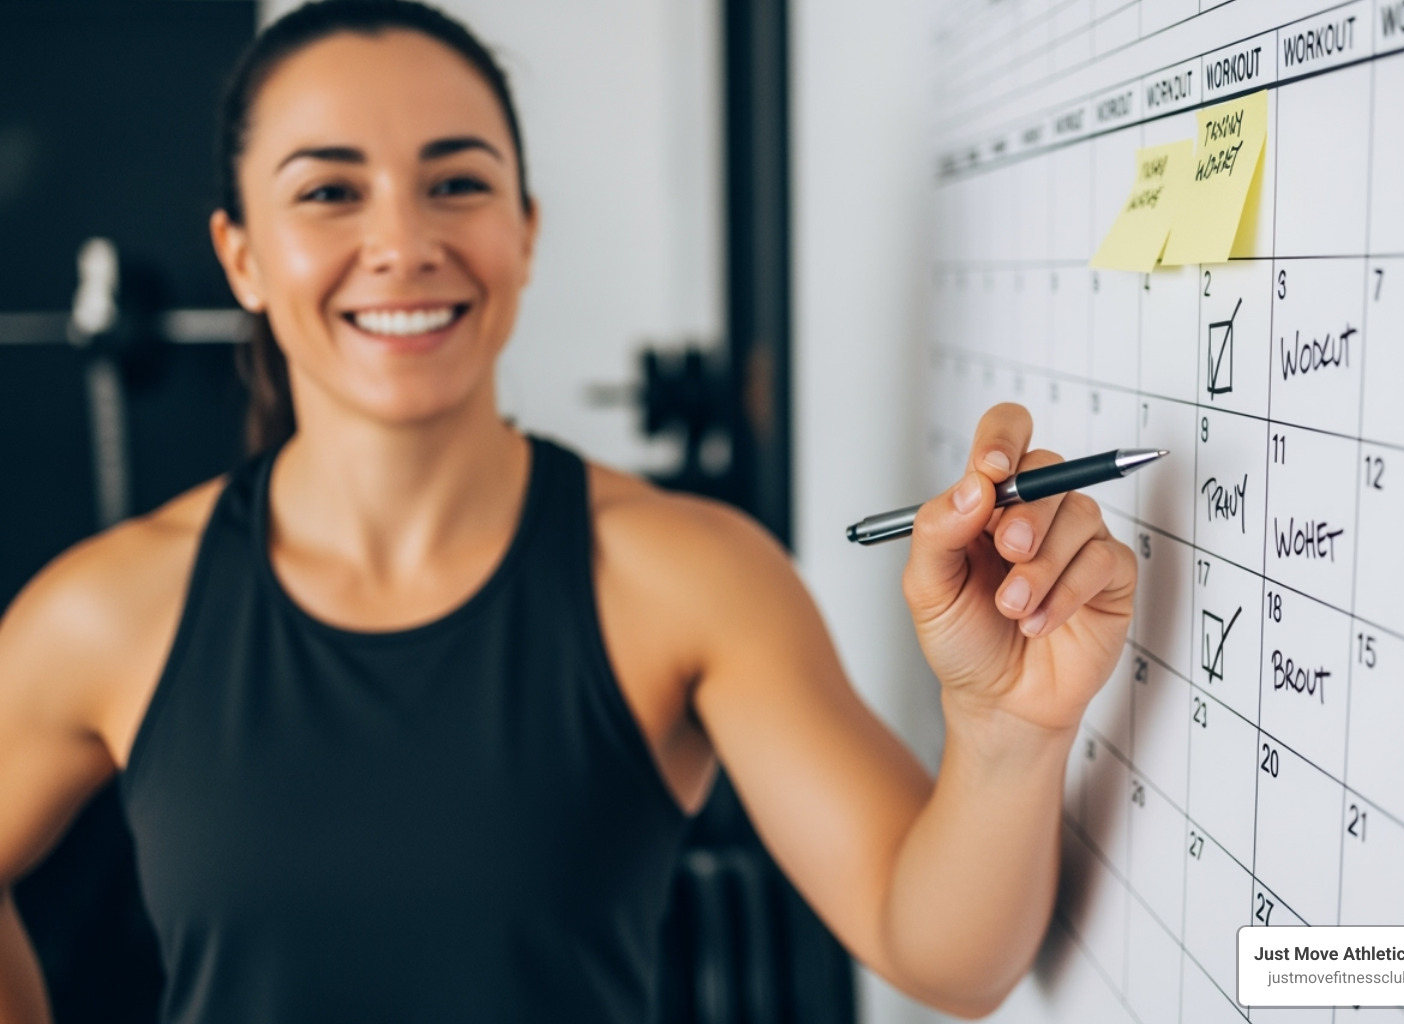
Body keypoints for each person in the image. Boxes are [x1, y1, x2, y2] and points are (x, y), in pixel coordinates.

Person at [0, 2, 1137, 1021]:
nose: (402, 244)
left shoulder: (687, 573)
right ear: (241, 255)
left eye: (457, 181)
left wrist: (1005, 728)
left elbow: (947, 957)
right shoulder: (108, 610)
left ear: (526, 229)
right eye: (329, 191)